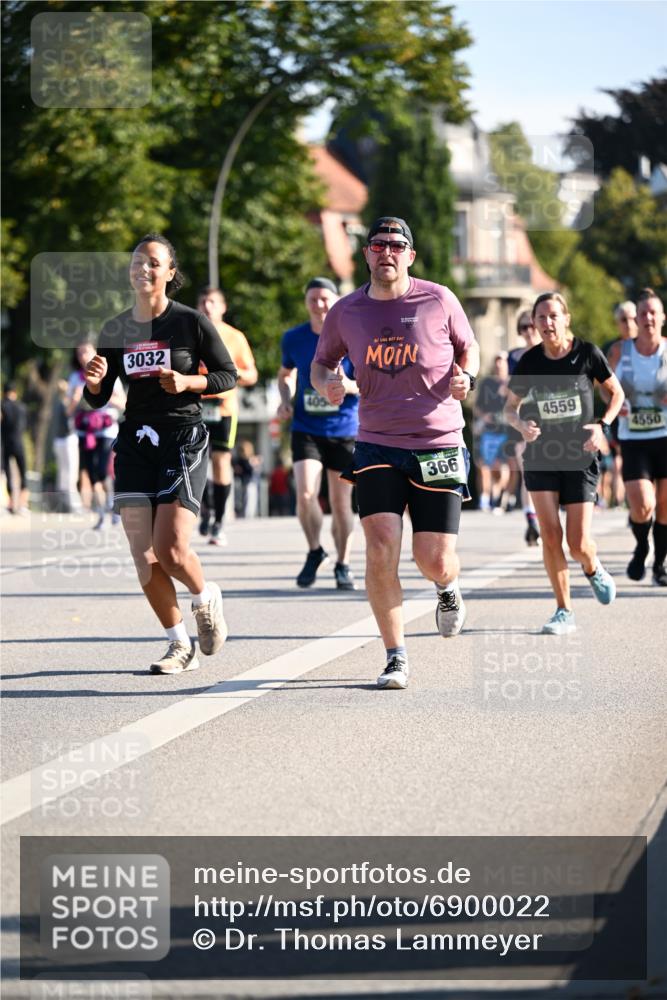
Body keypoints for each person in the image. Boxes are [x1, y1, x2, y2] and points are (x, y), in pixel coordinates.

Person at [311, 216, 480, 690]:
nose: (386, 251)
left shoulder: (439, 298)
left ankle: (447, 588)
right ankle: (395, 656)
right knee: (381, 546)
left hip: (438, 441)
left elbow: (471, 349)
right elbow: (322, 362)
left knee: (434, 559)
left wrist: (467, 376)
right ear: (366, 254)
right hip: (376, 441)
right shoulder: (346, 311)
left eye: (396, 245)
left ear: (410, 255)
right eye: (378, 244)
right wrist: (326, 383)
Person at [83, 234, 237, 674]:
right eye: (137, 262)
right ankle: (178, 644)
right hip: (135, 442)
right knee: (143, 553)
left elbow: (228, 375)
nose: (143, 269)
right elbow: (99, 397)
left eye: (153, 262)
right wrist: (95, 383)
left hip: (183, 437)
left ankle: (205, 597)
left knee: (170, 550)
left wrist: (190, 383)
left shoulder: (190, 322)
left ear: (170, 273)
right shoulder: (115, 328)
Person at [504, 291, 625, 635]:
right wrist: (520, 425)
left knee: (578, 544)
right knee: (550, 536)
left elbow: (616, 393)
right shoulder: (529, 362)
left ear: (566, 318)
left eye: (553, 316)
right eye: (540, 318)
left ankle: (593, 567)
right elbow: (509, 408)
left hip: (580, 456)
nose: (546, 323)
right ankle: (563, 610)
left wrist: (603, 426)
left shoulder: (587, 354)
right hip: (541, 456)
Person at [278, 277, 359, 591]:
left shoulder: (353, 337)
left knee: (341, 504)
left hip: (344, 429)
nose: (319, 304)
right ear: (306, 303)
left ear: (337, 302)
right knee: (306, 494)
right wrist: (285, 399)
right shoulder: (293, 338)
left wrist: (347, 387)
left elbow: (369, 383)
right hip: (306, 427)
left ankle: (343, 563)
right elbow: (285, 374)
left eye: (325, 298)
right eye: (313, 299)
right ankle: (315, 550)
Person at [612, 288, 667, 586]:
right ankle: (642, 546)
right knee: (643, 504)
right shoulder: (621, 350)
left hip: (666, 435)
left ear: (662, 317)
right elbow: (605, 385)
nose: (646, 318)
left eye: (652, 312)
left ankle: (659, 563)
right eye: (641, 313)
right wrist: (616, 402)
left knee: (665, 506)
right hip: (633, 437)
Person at [197, 286, 258, 546]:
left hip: (223, 408)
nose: (208, 307)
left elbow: (251, 374)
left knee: (221, 461)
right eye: (203, 302)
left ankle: (219, 521)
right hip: (194, 407)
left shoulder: (235, 337)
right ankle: (205, 508)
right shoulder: (190, 334)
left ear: (223, 307)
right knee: (194, 464)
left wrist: (231, 374)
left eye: (212, 302)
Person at [70, 340, 125, 528]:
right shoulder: (75, 378)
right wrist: (77, 397)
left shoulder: (109, 374)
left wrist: (99, 394)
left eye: (86, 351)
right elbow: (68, 411)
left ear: (95, 353)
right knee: (92, 474)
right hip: (85, 431)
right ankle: (102, 513)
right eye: (79, 354)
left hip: (106, 430)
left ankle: (114, 506)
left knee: (104, 471)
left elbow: (123, 403)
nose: (83, 356)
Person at [508, 310, 542, 544]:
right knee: (526, 470)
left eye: (531, 325)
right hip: (522, 416)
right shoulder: (514, 357)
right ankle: (531, 520)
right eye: (523, 327)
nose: (528, 331)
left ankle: (546, 517)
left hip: (549, 418)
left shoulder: (550, 353)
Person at [603, 301, 638, 509]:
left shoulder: (653, 347)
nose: (629, 323)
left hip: (654, 418)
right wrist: (613, 404)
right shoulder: (613, 349)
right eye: (624, 320)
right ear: (617, 323)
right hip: (622, 417)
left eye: (633, 318)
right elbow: (601, 386)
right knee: (620, 460)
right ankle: (622, 501)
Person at [474, 351, 511, 513]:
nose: (499, 364)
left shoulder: (513, 384)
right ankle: (484, 499)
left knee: (502, 468)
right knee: (484, 466)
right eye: (496, 361)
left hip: (507, 431)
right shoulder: (486, 383)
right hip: (488, 432)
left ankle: (499, 494)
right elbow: (476, 407)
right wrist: (484, 417)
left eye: (502, 361)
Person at [1, 382, 29, 515]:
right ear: (15, 392)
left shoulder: (2, 406)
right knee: (23, 473)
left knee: (7, 473)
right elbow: (24, 425)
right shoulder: (22, 407)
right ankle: (23, 504)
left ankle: (11, 504)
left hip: (5, 443)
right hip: (19, 442)